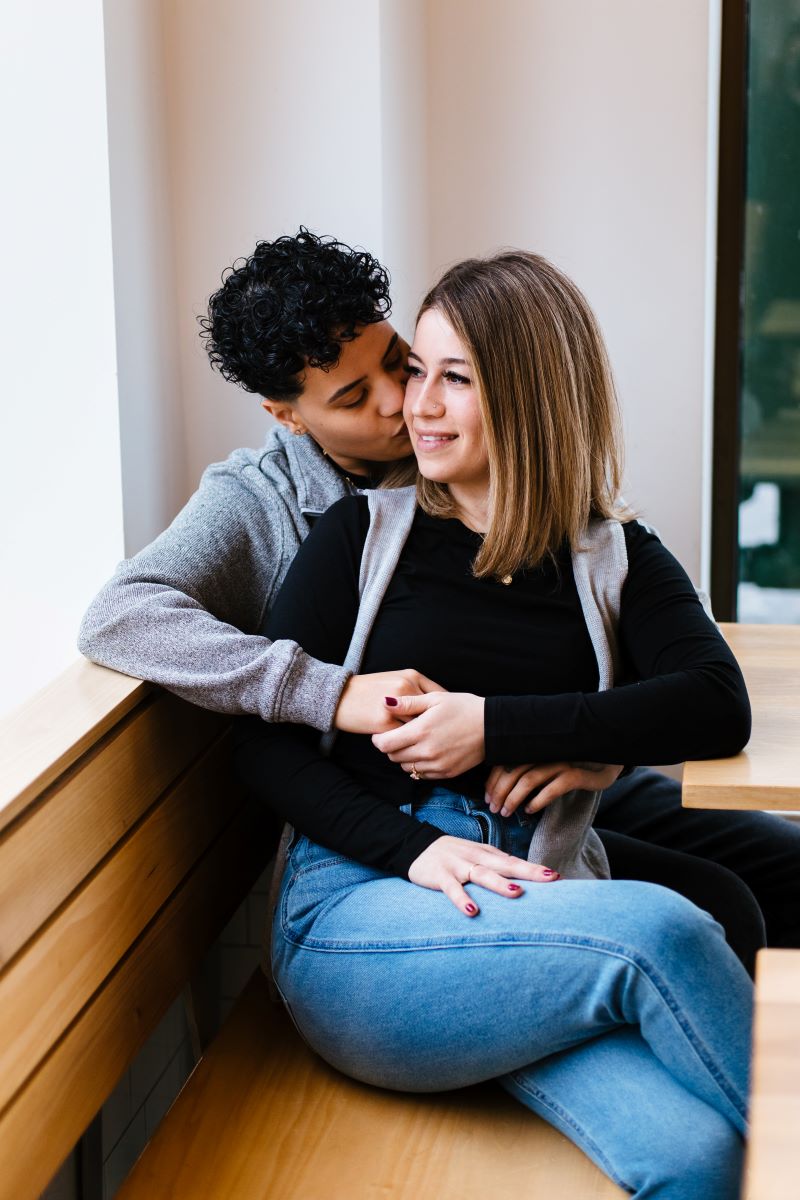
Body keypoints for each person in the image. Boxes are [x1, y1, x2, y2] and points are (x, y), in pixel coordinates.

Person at [77, 228, 797, 967]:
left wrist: (595, 748)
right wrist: (331, 692)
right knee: (707, 910)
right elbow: (122, 615)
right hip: (399, 809)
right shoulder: (271, 506)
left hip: (542, 777)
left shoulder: (491, 470)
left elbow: (669, 659)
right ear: (286, 416)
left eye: (403, 363)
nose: (403, 404)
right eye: (357, 396)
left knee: (776, 867)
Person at [233, 250, 753, 1198]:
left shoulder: (612, 553)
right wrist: (410, 851)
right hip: (363, 915)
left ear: (530, 393)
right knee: (667, 930)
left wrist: (508, 729)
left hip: (536, 913)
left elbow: (716, 701)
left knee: (697, 1160)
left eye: (454, 379)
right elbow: (260, 746)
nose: (417, 405)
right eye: (415, 370)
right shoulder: (360, 535)